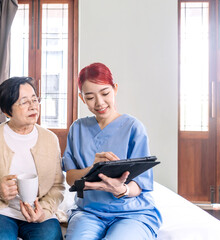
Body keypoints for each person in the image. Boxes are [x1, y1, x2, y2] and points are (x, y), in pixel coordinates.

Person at [62, 63, 162, 240]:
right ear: (82, 98)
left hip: (132, 212)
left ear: (115, 89)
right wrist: (93, 168)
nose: (99, 102)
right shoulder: (77, 129)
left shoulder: (134, 128)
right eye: (90, 97)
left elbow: (139, 185)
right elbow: (70, 177)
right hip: (89, 212)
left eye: (105, 93)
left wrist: (120, 189)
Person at [0, 77, 65, 240]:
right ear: (6, 111)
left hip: (37, 210)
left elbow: (57, 186)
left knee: (50, 236)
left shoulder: (50, 139)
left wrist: (44, 211)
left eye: (35, 99)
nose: (33, 106)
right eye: (24, 102)